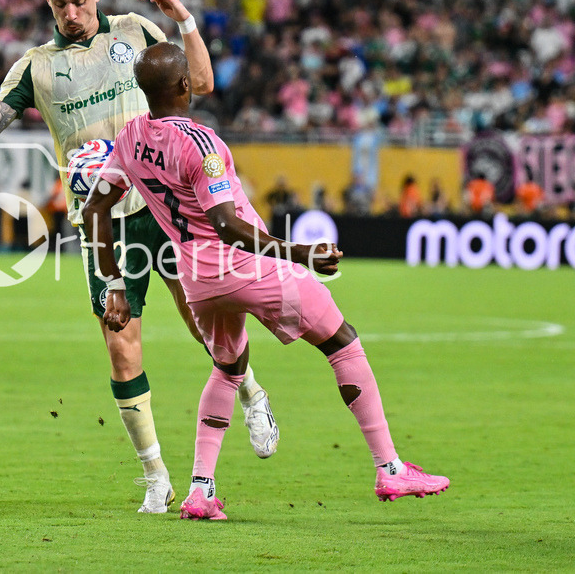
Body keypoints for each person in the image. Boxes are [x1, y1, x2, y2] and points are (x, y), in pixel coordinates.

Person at [0, 0, 279, 513]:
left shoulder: (136, 31)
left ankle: (252, 393)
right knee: (121, 346)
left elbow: (202, 83)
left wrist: (185, 21)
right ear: (47, 0)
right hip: (103, 221)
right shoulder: (35, 67)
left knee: (201, 321)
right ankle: (156, 476)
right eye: (60, 3)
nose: (71, 13)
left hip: (166, 206)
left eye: (80, 1)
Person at [83, 42, 449, 520]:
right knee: (342, 342)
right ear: (185, 85)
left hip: (196, 281)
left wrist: (113, 282)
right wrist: (300, 253)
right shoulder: (202, 143)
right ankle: (390, 468)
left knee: (228, 368)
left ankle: (201, 490)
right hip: (246, 268)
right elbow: (225, 224)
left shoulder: (130, 137)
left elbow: (94, 208)